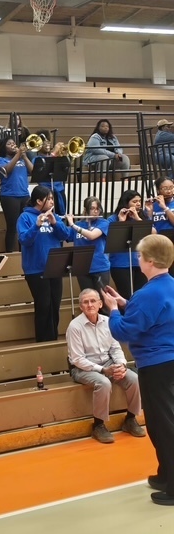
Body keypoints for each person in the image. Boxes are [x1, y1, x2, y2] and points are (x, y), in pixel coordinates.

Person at [103, 234, 174, 505]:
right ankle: (166, 473)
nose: (138, 259)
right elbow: (149, 316)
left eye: (141, 255)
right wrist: (124, 303)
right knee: (163, 421)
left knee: (163, 424)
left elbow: (123, 330)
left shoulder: (148, 294)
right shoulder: (167, 286)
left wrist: (112, 310)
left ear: (151, 261)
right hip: (169, 361)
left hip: (156, 364)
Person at [66, 288, 145, 444]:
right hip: (83, 368)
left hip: (108, 363)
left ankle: (130, 419)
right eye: (85, 302)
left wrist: (121, 365)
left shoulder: (108, 321)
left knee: (134, 378)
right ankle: (98, 425)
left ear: (100, 303)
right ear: (80, 307)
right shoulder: (74, 326)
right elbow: (77, 359)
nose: (90, 305)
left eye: (93, 301)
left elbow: (115, 348)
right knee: (103, 382)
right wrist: (103, 370)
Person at [17, 185, 70, 342]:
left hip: (55, 267)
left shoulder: (55, 217)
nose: (53, 202)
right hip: (35, 269)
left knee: (55, 306)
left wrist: (55, 223)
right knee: (43, 306)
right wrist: (36, 225)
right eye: (50, 199)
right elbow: (24, 240)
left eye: (53, 198)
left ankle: (52, 339)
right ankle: (42, 342)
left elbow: (66, 235)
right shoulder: (25, 218)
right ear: (39, 201)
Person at [65, 197, 111, 299]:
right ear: (85, 210)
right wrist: (55, 222)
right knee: (88, 300)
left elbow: (92, 235)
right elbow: (64, 235)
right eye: (92, 208)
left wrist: (72, 224)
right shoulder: (79, 224)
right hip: (82, 268)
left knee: (103, 301)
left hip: (100, 266)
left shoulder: (103, 223)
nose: (95, 211)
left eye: (97, 208)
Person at [107, 190, 149, 299]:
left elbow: (152, 233)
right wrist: (121, 221)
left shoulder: (143, 217)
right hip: (120, 264)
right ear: (126, 203)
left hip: (140, 263)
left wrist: (137, 219)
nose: (138, 204)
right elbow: (112, 239)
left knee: (140, 295)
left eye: (139, 201)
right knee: (126, 296)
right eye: (135, 201)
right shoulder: (113, 218)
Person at [0, 137, 32, 252]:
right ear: (4, 148)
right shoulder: (0, 160)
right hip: (9, 196)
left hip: (24, 195)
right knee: (12, 226)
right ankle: (10, 253)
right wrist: (18, 155)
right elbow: (6, 171)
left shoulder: (22, 160)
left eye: (13, 143)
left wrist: (24, 156)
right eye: (9, 144)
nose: (12, 145)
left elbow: (33, 171)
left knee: (25, 226)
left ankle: (24, 251)